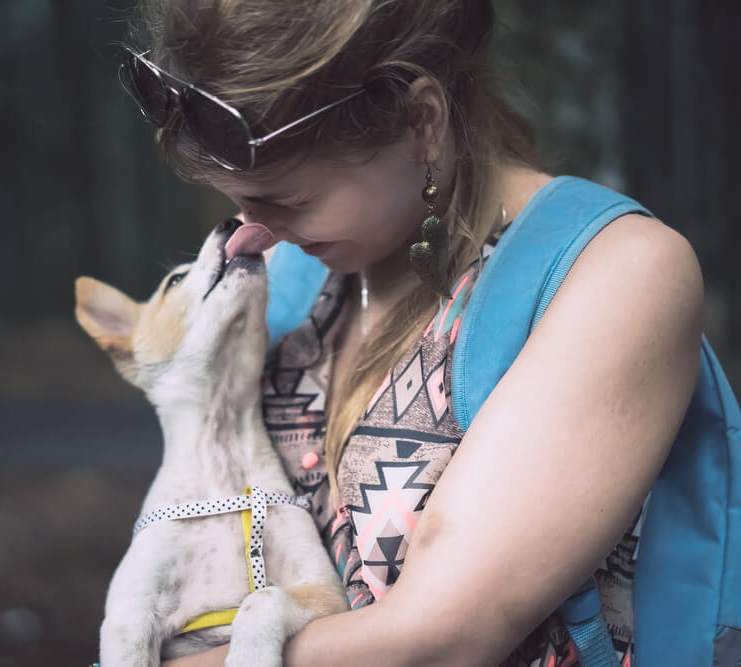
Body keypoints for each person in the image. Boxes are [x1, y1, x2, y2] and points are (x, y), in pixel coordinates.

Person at [117, 1, 704, 664]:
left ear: (421, 121)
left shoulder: (614, 274)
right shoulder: (283, 274)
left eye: (290, 199)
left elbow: (439, 639)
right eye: (239, 200)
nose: (256, 231)